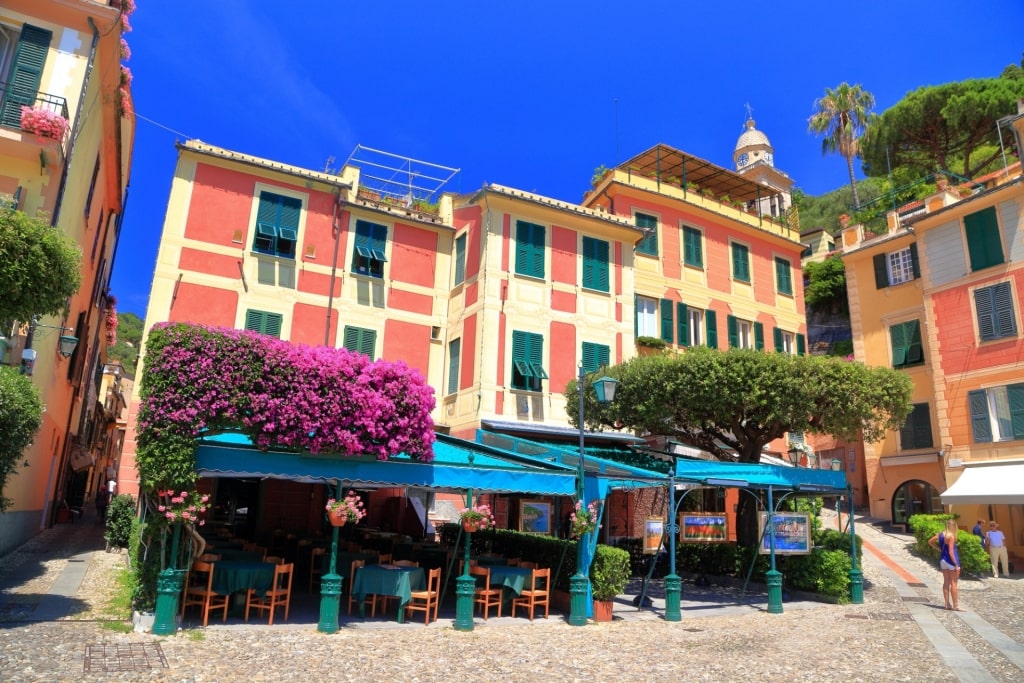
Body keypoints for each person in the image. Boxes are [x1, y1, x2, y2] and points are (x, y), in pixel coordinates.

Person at [928, 518, 962, 611]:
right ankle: (955, 605)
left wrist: (938, 549)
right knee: (954, 583)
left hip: (943, 560)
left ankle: (947, 604)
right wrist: (956, 564)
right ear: (954, 527)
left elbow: (930, 541)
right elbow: (951, 552)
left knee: (946, 582)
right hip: (951, 561)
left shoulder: (941, 534)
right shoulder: (951, 536)